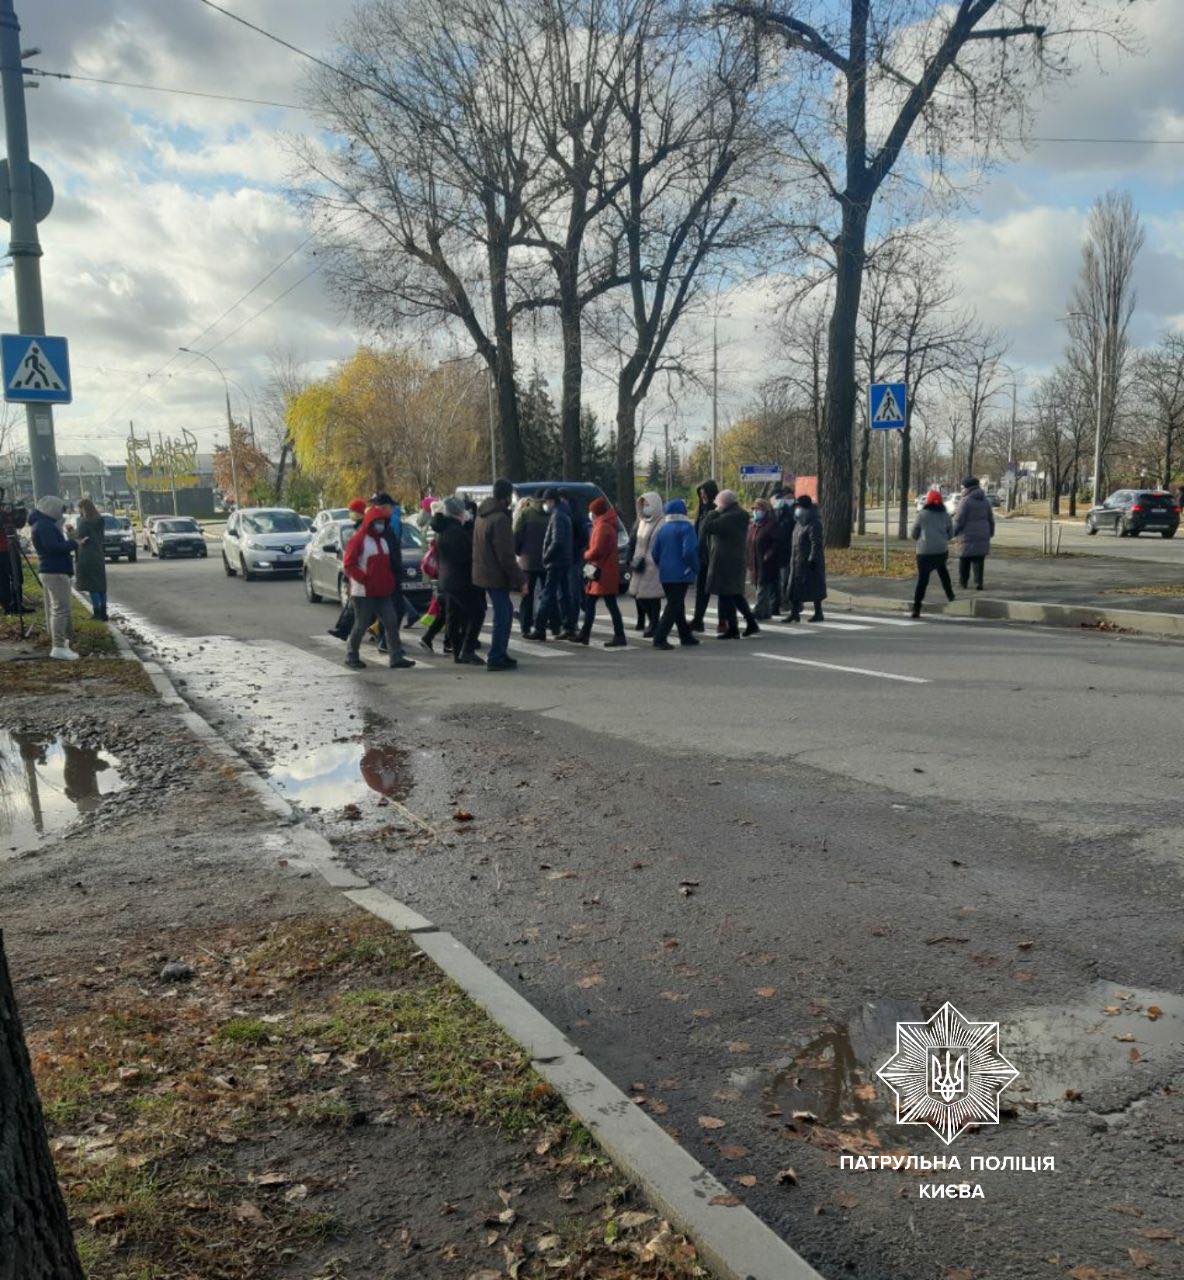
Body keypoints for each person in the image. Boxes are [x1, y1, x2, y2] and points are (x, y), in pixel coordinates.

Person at [342, 504, 415, 670]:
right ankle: (351, 655)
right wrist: (364, 579)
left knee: (391, 621)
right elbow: (349, 564)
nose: (380, 525)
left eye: (382, 521)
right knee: (361, 624)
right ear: (370, 522)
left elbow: (386, 565)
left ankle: (396, 657)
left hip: (382, 591)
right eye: (378, 521)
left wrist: (388, 581)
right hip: (363, 592)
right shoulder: (358, 540)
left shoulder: (383, 541)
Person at [473, 477, 526, 672]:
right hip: (495, 574)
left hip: (484, 571)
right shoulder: (500, 519)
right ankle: (496, 655)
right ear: (506, 497)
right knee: (503, 615)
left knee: (504, 611)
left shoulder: (482, 515)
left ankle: (500, 653)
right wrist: (520, 580)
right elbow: (505, 555)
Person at [431, 496, 486, 664]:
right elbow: (467, 555)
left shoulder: (443, 529)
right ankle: (467, 650)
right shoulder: (456, 532)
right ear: (458, 513)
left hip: (447, 579)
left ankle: (457, 651)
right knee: (477, 612)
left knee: (453, 616)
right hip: (460, 580)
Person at [27, 495, 79, 661]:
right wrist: (73, 543)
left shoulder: (41, 524)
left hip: (51, 570)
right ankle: (58, 646)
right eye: (60, 510)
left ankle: (61, 644)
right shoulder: (45, 526)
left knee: (58, 609)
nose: (61, 513)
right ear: (52, 509)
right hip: (55, 571)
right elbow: (53, 548)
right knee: (60, 610)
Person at [702, 488, 757, 638]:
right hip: (733, 560)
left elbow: (707, 527)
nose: (717, 506)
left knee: (730, 595)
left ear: (724, 503)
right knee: (731, 595)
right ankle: (739, 626)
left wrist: (714, 512)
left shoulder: (729, 517)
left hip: (726, 561)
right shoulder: (738, 514)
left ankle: (742, 625)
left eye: (718, 504)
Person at [649, 499, 700, 649]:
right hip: (681, 573)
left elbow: (655, 552)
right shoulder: (686, 527)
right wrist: (695, 567)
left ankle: (685, 635)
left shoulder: (663, 528)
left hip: (665, 573)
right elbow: (689, 551)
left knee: (677, 605)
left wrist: (662, 564)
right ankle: (660, 637)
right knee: (674, 605)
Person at [579, 496, 626, 646]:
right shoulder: (604, 524)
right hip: (604, 570)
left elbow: (596, 551)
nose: (590, 514)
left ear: (596, 512)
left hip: (601, 571)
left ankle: (617, 635)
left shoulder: (602, 527)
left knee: (605, 604)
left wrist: (585, 554)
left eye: (591, 512)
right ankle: (585, 634)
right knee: (598, 603)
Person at [530, 488, 576, 641]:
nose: (545, 505)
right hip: (564, 560)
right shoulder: (564, 514)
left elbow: (557, 541)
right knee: (564, 594)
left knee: (548, 594)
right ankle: (569, 627)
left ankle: (539, 628)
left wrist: (546, 556)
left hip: (556, 562)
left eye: (546, 502)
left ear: (551, 501)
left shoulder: (557, 516)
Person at [910, 488, 956, 618]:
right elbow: (951, 534)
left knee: (922, 580)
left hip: (924, 552)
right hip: (941, 551)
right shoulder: (946, 515)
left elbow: (914, 534)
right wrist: (941, 539)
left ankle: (916, 608)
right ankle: (950, 595)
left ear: (928, 501)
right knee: (943, 571)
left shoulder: (922, 514)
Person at [328, 498, 367, 640]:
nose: (350, 514)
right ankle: (342, 630)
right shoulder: (358, 526)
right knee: (354, 605)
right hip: (360, 574)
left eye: (352, 511)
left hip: (363, 573)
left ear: (358, 512)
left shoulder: (363, 527)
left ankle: (345, 633)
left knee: (361, 607)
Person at [785, 493, 827, 623]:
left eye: (798, 506)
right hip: (796, 560)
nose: (796, 509)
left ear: (804, 507)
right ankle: (794, 613)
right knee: (793, 587)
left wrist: (813, 558)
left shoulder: (814, 523)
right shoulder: (799, 522)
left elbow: (816, 543)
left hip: (809, 561)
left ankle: (818, 613)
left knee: (814, 587)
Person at [628, 490, 665, 636]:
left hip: (654, 565)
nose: (645, 508)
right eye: (643, 505)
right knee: (640, 596)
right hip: (640, 563)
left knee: (653, 597)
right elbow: (635, 541)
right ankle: (652, 622)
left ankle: (654, 624)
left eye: (648, 505)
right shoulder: (642, 521)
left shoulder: (661, 523)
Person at [513, 495, 548, 637]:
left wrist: (518, 552)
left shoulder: (525, 513)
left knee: (527, 595)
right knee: (546, 595)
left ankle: (525, 627)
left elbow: (516, 535)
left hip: (527, 561)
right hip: (546, 560)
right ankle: (543, 626)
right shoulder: (549, 513)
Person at [953, 476, 995, 591]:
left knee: (964, 559)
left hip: (966, 536)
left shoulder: (965, 501)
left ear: (967, 488)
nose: (961, 490)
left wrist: (953, 532)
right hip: (982, 535)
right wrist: (990, 532)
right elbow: (991, 519)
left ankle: (963, 582)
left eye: (962, 487)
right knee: (978, 560)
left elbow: (959, 519)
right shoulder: (985, 501)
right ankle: (978, 583)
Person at [689, 479, 719, 631]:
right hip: (702, 556)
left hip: (713, 555)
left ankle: (724, 620)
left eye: (705, 494)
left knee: (721, 590)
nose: (703, 497)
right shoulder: (701, 510)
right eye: (701, 495)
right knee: (700, 589)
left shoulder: (715, 509)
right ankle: (698, 619)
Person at [73, 496, 108, 621]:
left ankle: (97, 612)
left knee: (93, 586)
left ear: (83, 509)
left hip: (87, 555)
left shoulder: (84, 522)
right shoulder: (100, 520)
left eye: (80, 509)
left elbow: (79, 538)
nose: (79, 512)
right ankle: (104, 612)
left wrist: (71, 532)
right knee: (101, 586)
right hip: (98, 554)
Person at [748, 498, 780, 621]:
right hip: (754, 561)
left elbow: (776, 543)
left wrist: (769, 554)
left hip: (766, 562)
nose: (756, 511)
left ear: (765, 511)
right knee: (759, 586)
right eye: (754, 509)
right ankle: (766, 612)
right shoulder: (753, 525)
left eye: (759, 509)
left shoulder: (771, 525)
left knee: (762, 588)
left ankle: (758, 610)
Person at [566, 490, 590, 635]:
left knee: (574, 592)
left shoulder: (571, 519)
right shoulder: (581, 517)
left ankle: (573, 622)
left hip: (573, 559)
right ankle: (585, 618)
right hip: (580, 558)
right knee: (581, 591)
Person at [772, 490, 795, 614]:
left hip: (787, 552)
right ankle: (781, 603)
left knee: (785, 580)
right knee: (780, 580)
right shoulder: (775, 514)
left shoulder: (790, 516)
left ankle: (787, 602)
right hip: (777, 553)